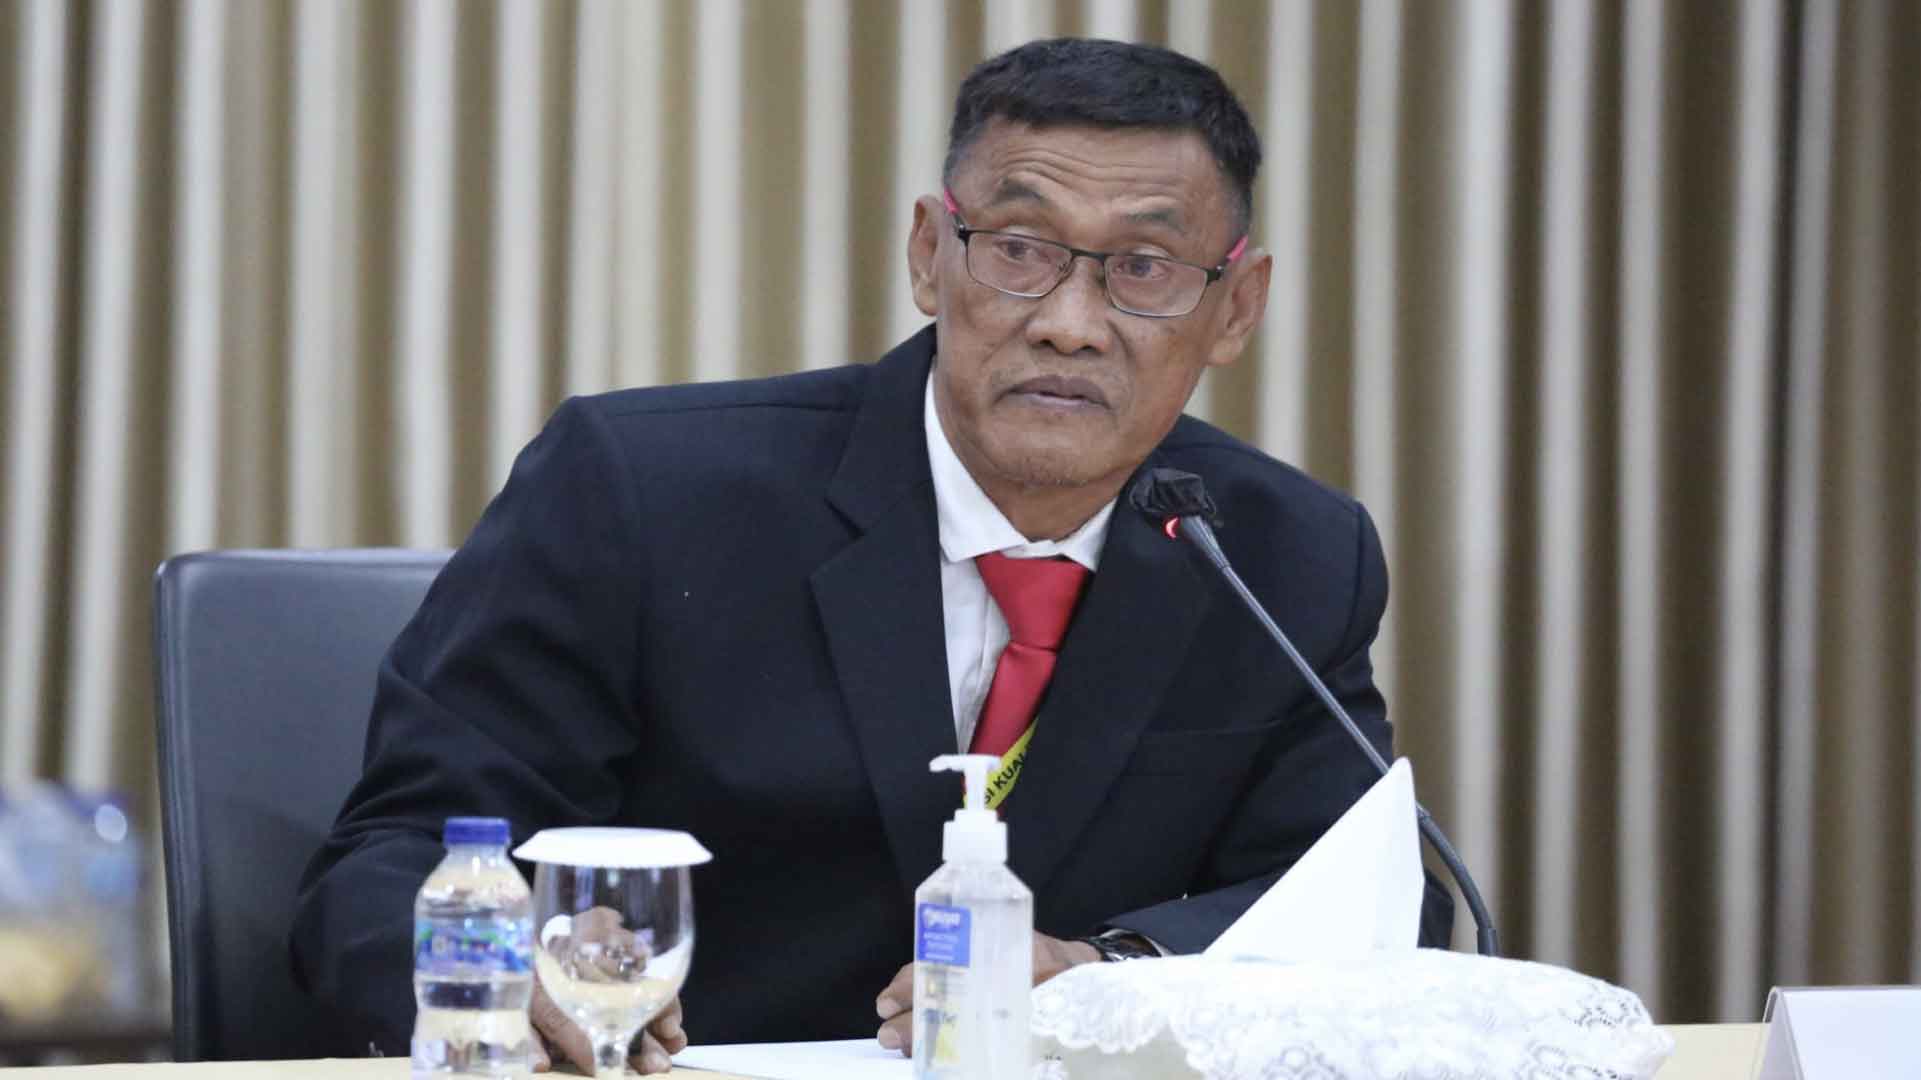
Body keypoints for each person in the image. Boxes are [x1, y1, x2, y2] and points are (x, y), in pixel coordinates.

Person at [291, 37, 1453, 1075]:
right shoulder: (643, 493)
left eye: (1143, 269)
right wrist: (512, 971)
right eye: (1020, 249)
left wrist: (1112, 976)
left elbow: (1364, 908)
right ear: (929, 254)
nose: (1068, 322)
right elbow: (394, 863)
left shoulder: (1279, 555)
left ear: (1236, 307)